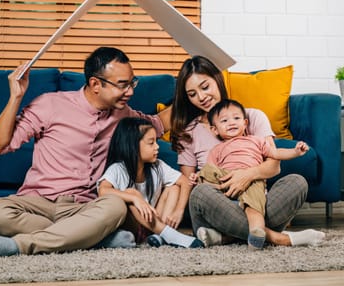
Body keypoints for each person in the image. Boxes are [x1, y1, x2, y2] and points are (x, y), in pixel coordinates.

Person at [0, 46, 171, 257]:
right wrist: (15, 97)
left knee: (116, 206)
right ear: (96, 84)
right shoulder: (50, 104)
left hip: (85, 206)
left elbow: (158, 123)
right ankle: (92, 237)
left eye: (132, 83)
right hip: (38, 201)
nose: (131, 91)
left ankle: (21, 246)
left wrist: (193, 91)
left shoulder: (124, 114)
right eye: (122, 85)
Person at [170, 55, 326, 248]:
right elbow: (190, 181)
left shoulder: (252, 117)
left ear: (218, 80)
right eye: (192, 94)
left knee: (297, 182)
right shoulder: (189, 133)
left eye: (205, 87)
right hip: (217, 205)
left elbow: (273, 166)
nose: (201, 97)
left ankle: (226, 237)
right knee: (200, 193)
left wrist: (247, 175)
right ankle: (280, 238)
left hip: (256, 200)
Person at [197, 98, 310, 249]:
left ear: (245, 123)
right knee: (204, 175)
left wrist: (295, 152)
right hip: (226, 184)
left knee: (253, 207)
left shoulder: (256, 141)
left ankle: (255, 233)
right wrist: (200, 178)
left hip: (252, 182)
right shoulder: (216, 150)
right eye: (224, 120)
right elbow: (210, 171)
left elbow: (276, 153)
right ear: (215, 130)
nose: (231, 122)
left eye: (236, 118)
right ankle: (276, 237)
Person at [97, 117, 203, 248]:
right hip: (133, 225)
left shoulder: (157, 166)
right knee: (131, 192)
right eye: (151, 143)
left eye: (156, 142)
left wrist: (179, 211)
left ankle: (160, 235)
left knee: (174, 187)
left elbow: (185, 182)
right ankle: (169, 234)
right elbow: (103, 191)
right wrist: (136, 199)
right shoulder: (118, 169)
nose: (157, 147)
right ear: (133, 145)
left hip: (154, 223)